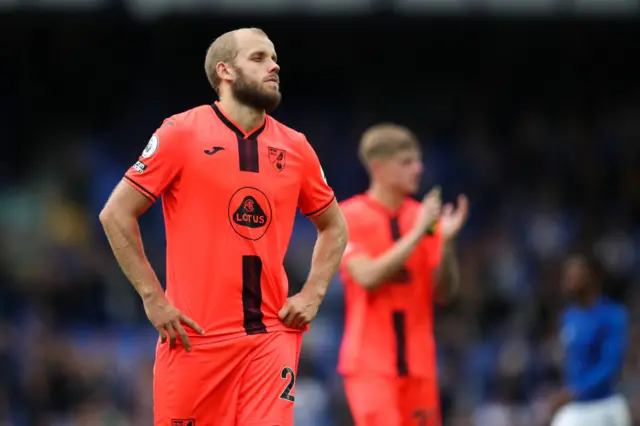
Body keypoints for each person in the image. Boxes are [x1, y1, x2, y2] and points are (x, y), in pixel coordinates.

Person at [99, 27, 348, 426]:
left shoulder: (296, 147)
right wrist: (153, 298)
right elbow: (115, 213)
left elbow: (334, 225)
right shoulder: (181, 132)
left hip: (270, 337)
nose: (274, 65)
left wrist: (313, 295)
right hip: (195, 340)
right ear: (225, 71)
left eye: (274, 57)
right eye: (259, 58)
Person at [337, 123, 468, 426]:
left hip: (420, 366)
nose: (418, 169)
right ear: (378, 167)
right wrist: (419, 233)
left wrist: (445, 244)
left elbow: (445, 292)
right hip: (370, 367)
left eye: (418, 161)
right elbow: (367, 276)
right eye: (407, 162)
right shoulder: (348, 216)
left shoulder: (421, 217)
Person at [549, 252, 631, 426]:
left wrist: (576, 390)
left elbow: (611, 364)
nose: (568, 280)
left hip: (604, 405)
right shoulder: (568, 316)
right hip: (576, 407)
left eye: (575, 274)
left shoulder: (612, 315)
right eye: (567, 275)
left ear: (592, 277)